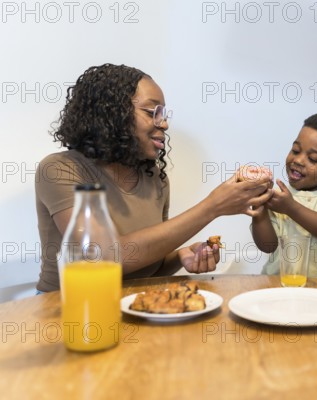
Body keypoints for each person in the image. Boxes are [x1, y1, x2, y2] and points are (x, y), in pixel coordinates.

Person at [35, 63, 272, 292]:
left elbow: (145, 267)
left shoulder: (154, 177)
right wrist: (213, 206)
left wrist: (180, 256)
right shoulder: (60, 169)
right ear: (111, 114)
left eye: (164, 113)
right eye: (152, 112)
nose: (165, 123)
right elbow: (105, 257)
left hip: (132, 305)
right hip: (66, 309)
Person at [252, 112, 317, 280]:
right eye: (295, 150)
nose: (299, 160)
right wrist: (259, 208)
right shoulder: (279, 197)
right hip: (277, 285)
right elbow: (267, 246)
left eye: (313, 159)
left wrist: (291, 208)